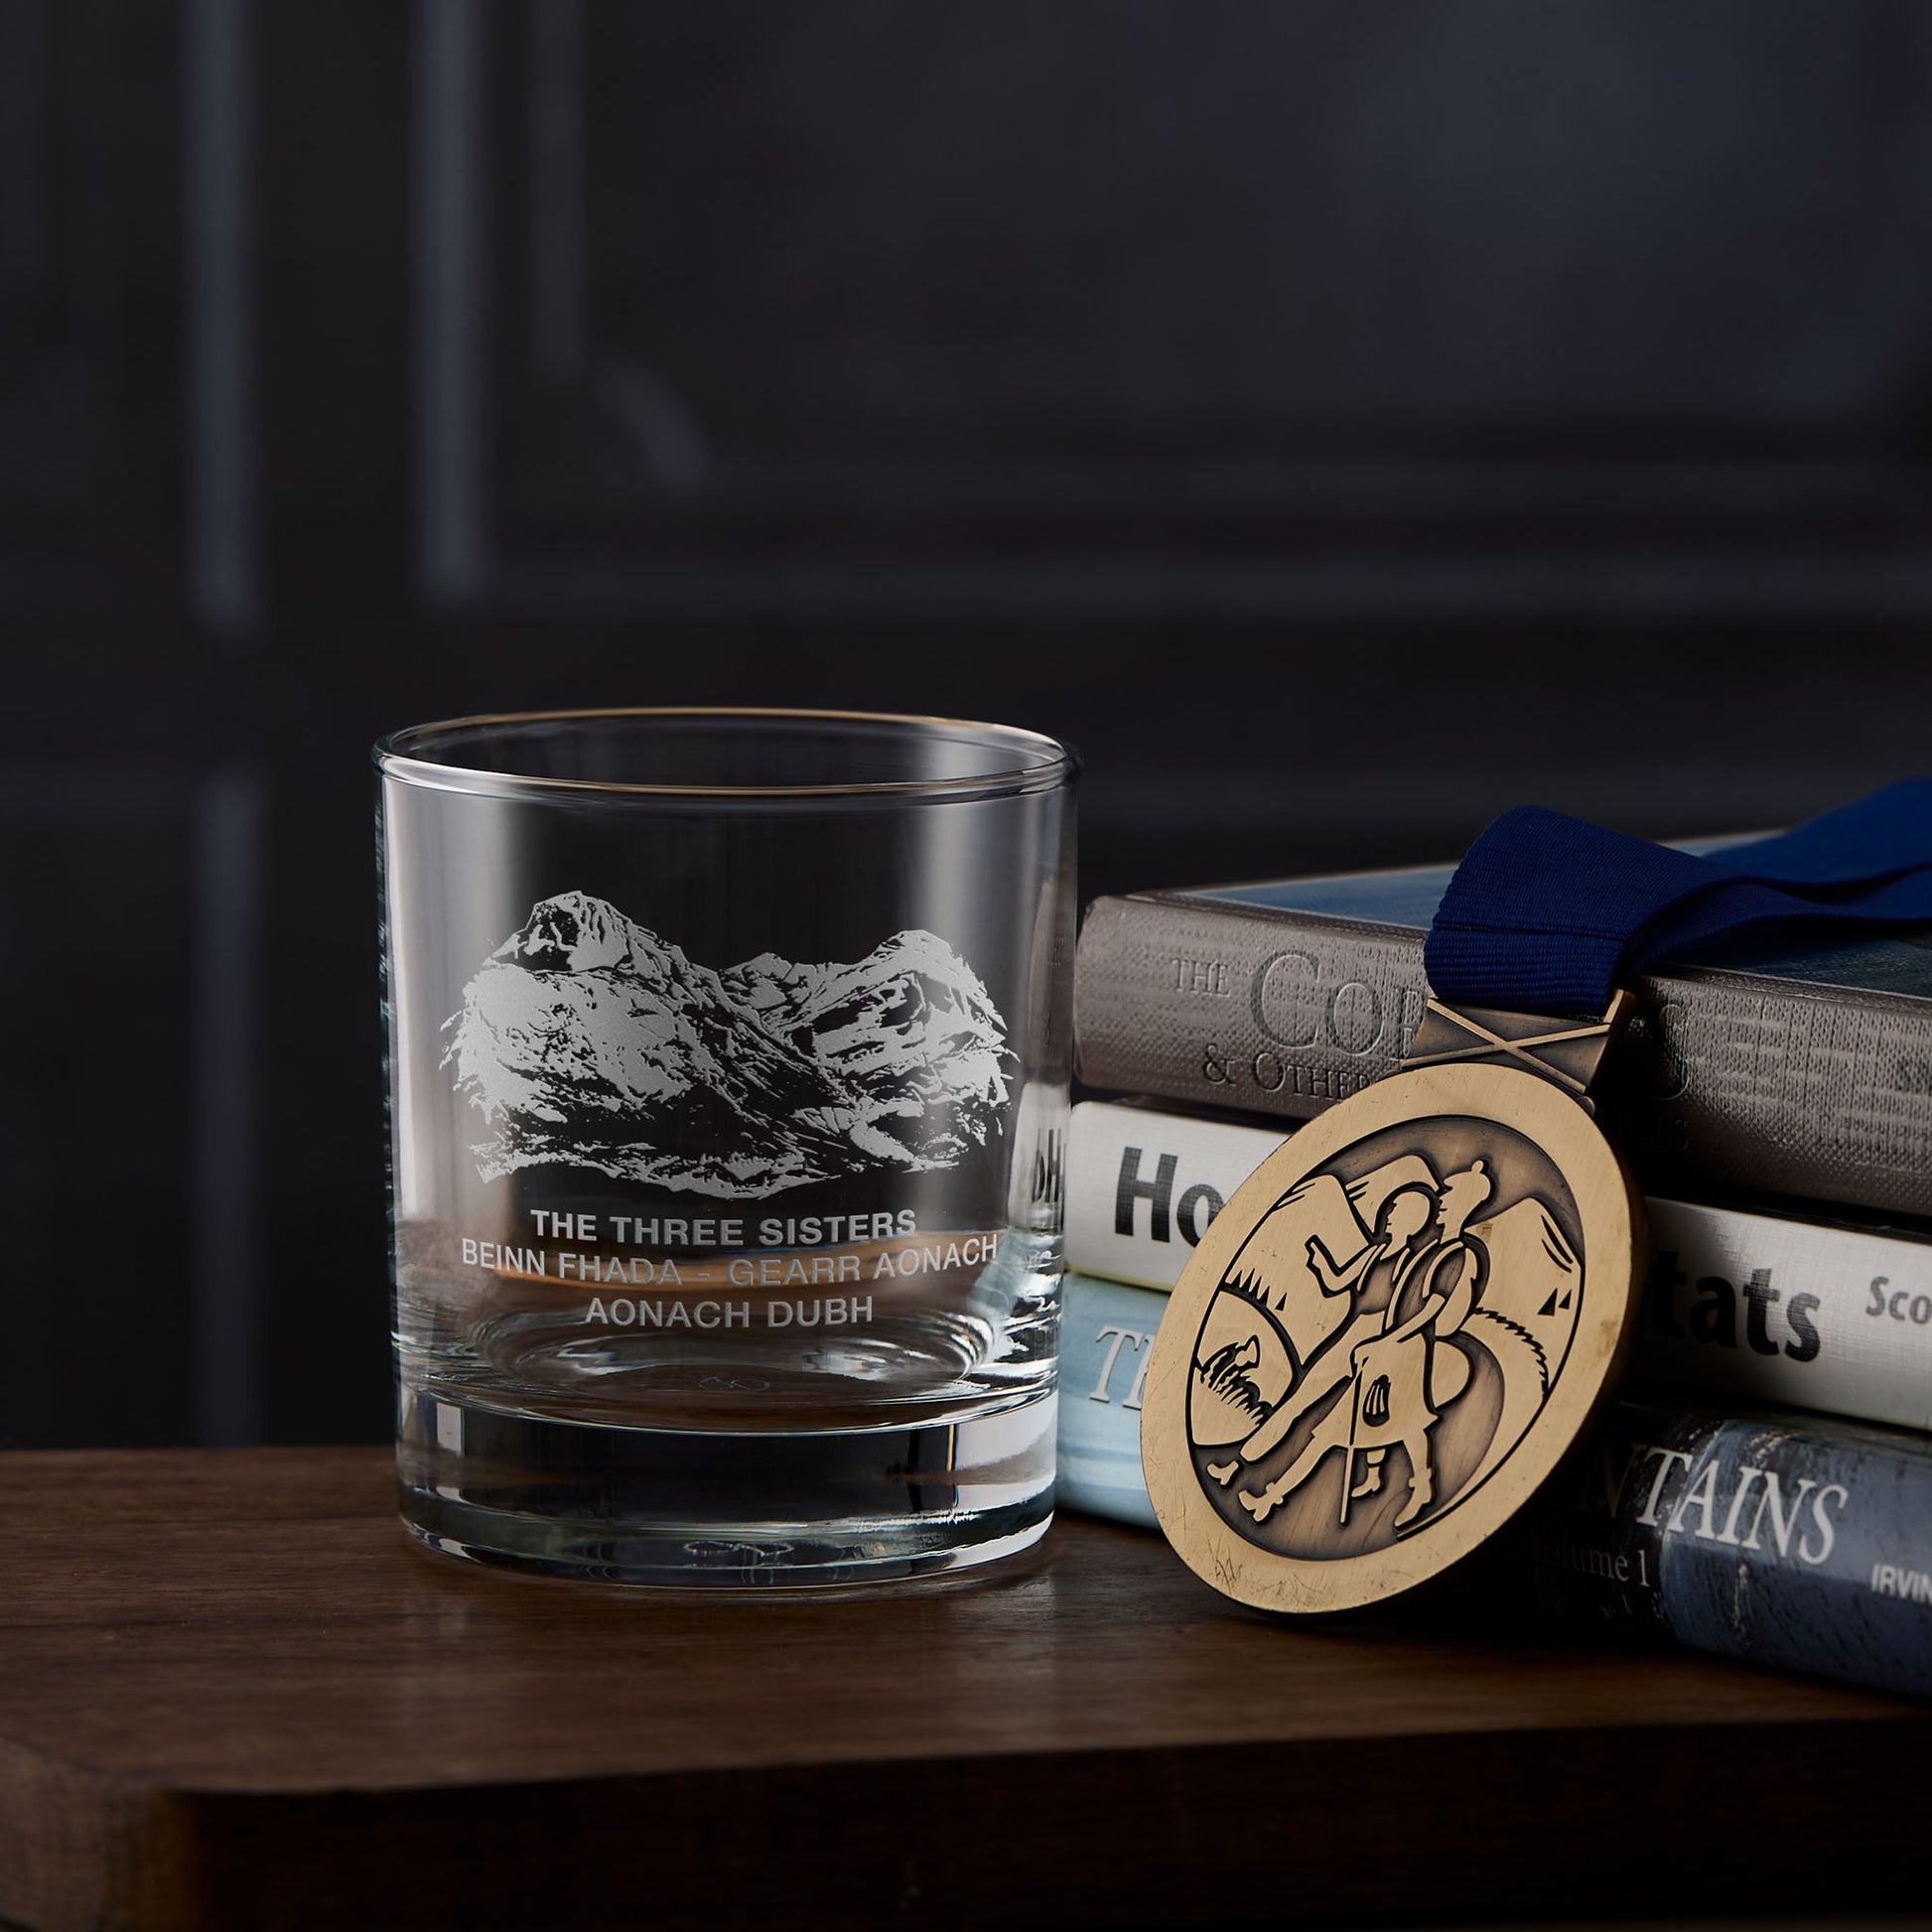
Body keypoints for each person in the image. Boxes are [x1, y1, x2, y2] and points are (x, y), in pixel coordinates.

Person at [1229, 1162, 1493, 1530]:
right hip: (1384, 1345)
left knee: (1395, 1422)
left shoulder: (1454, 1254)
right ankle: (1272, 1495)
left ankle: (1414, 1484)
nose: (1442, 1200)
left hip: (1399, 1349)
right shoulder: (1426, 1249)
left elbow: (1430, 1310)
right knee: (1370, 1424)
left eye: (1449, 1194)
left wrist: (1385, 1340)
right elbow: (1361, 1287)